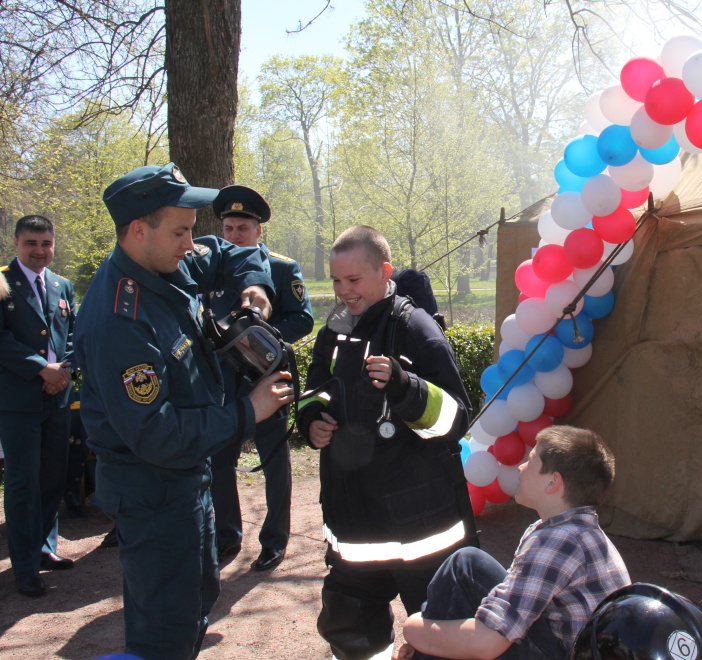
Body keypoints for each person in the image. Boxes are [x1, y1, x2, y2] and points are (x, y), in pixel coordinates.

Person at [75, 163, 294, 660]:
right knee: (165, 633)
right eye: (180, 232)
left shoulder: (165, 264)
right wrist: (249, 411)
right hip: (153, 493)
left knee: (197, 602)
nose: (191, 244)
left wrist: (256, 287)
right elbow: (158, 433)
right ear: (138, 230)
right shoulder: (118, 320)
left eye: (191, 230)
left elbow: (233, 253)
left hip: (189, 481)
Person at [296, 224, 477, 660]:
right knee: (350, 630)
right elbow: (314, 390)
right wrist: (311, 419)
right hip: (353, 526)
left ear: (384, 272)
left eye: (353, 279)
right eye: (336, 281)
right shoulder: (333, 331)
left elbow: (457, 419)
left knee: (442, 637)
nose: (343, 291)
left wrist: (405, 386)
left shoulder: (417, 329)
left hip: (421, 531)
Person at [395, 425, 631, 660]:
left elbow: (487, 643)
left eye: (531, 461)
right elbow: (510, 600)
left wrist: (414, 628)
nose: (520, 467)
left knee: (465, 566)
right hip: (568, 650)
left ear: (552, 483)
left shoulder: (559, 540)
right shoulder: (580, 532)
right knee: (473, 574)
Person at [207, 184, 314, 572]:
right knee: (220, 462)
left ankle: (274, 540)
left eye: (243, 229)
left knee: (273, 463)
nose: (235, 236)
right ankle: (227, 536)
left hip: (266, 378)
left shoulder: (281, 268)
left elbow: (303, 319)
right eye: (229, 229)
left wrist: (258, 340)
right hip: (222, 384)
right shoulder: (211, 268)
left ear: (258, 230)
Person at [0, 215, 76, 598]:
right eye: (31, 243)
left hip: (57, 398)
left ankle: (45, 546)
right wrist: (40, 369)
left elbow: (74, 334)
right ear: (16, 243)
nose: (39, 251)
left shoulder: (62, 285)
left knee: (52, 479)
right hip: (19, 402)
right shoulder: (2, 283)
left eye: (46, 243)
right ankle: (25, 565)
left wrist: (65, 370)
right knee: (22, 484)